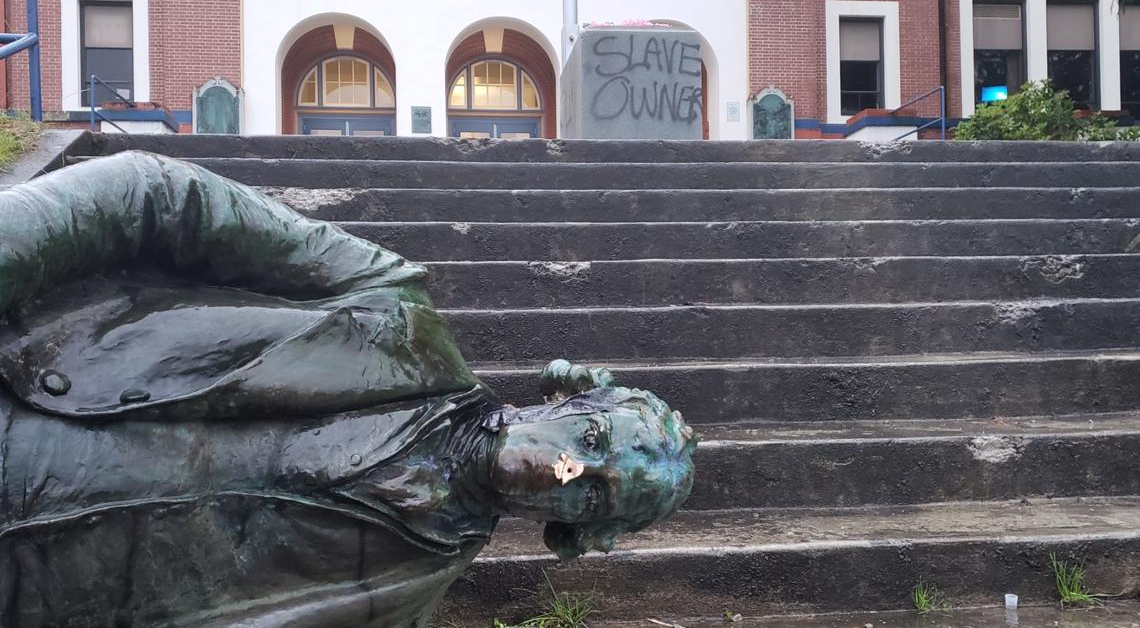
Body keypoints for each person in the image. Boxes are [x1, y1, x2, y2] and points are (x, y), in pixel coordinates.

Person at [0, 152, 696, 628]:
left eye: (595, 489)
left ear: (574, 528)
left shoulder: (395, 605)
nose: (564, 468)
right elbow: (160, 195)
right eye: (591, 439)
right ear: (566, 397)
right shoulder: (391, 309)